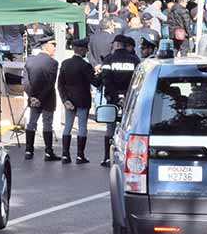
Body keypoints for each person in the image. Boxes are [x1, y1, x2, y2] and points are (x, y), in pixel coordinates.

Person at [96, 35, 140, 166]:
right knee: (130, 127)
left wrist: (115, 97)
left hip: (112, 99)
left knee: (110, 128)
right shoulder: (135, 60)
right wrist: (127, 96)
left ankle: (107, 158)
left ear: (116, 45)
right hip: (130, 100)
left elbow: (106, 80)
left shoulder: (109, 60)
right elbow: (137, 81)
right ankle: (129, 157)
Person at [22, 37, 61, 161]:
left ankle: (29, 150)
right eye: (52, 45)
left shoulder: (30, 61)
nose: (55, 47)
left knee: (32, 123)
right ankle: (48, 152)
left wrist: (32, 96)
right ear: (45, 46)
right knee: (47, 124)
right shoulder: (53, 63)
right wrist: (39, 98)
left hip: (34, 97)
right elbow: (50, 84)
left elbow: (25, 82)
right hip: (47, 98)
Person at [57, 37, 94, 165]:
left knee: (67, 126)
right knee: (82, 127)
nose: (87, 50)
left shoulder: (65, 63)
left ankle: (65, 155)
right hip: (83, 99)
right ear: (82, 49)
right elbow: (95, 81)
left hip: (69, 99)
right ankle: (80, 155)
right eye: (86, 48)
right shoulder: (86, 65)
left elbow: (60, 84)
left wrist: (65, 99)